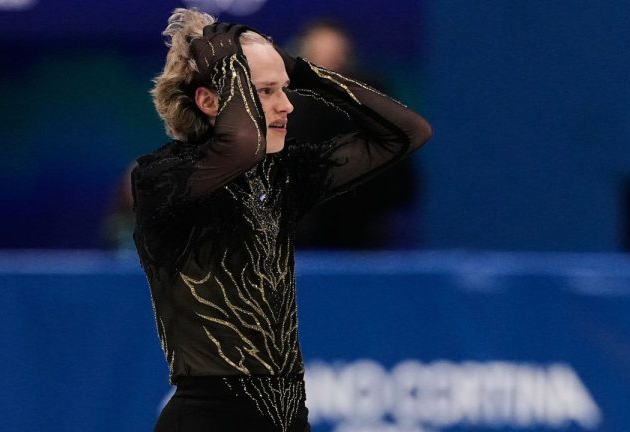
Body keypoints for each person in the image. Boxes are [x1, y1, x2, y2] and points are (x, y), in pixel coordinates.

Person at [131, 8, 432, 432]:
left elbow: (406, 132)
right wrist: (234, 62)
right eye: (268, 91)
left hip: (287, 416)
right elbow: (240, 145)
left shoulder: (283, 176)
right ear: (208, 101)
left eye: (285, 90)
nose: (287, 105)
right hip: (206, 418)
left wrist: (308, 73)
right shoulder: (161, 179)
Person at [288, 19, 423, 249]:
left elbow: (400, 177)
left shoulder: (372, 99)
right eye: (318, 57)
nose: (327, 69)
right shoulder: (284, 104)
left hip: (364, 234)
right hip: (298, 236)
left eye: (336, 58)